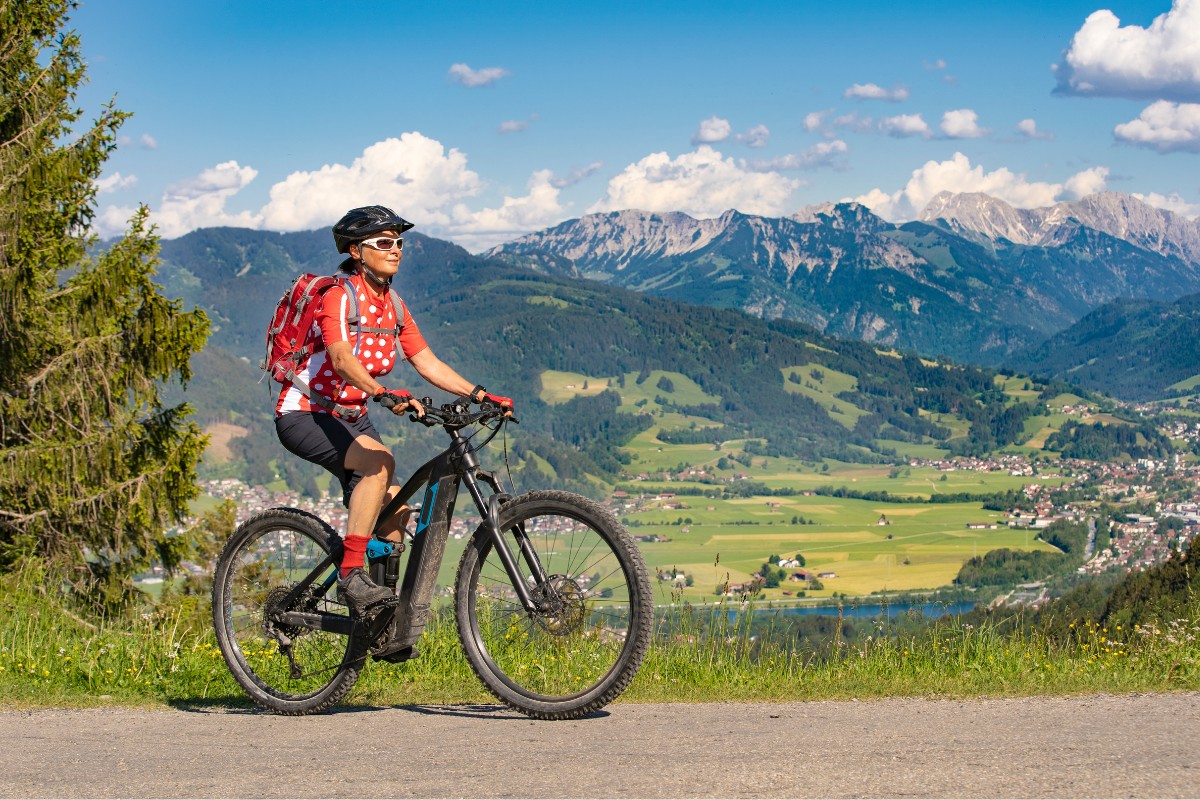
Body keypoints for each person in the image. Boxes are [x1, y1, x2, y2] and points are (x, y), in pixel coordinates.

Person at [274, 205, 513, 617]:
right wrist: (382, 391)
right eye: (384, 243)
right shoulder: (338, 297)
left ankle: (379, 620)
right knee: (379, 462)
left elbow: (427, 361)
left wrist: (480, 394)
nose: (396, 249)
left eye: (399, 242)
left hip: (350, 416)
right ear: (355, 251)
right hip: (305, 413)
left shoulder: (394, 306)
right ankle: (351, 577)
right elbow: (342, 358)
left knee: (395, 514)